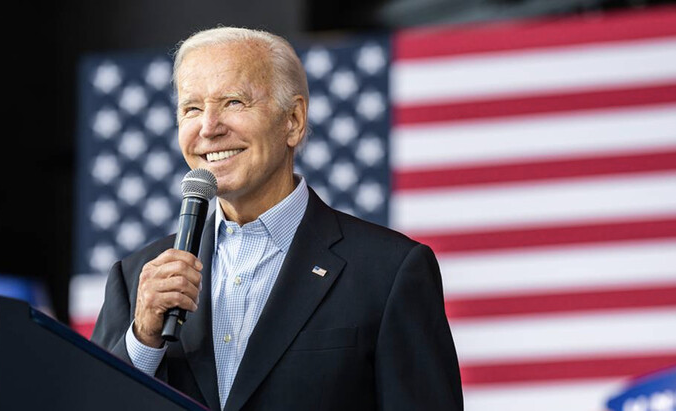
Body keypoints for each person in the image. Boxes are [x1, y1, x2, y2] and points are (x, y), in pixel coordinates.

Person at [91, 27, 463, 411]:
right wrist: (142, 341)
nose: (208, 127)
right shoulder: (136, 279)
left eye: (233, 102)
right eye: (192, 108)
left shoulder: (389, 272)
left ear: (293, 121)